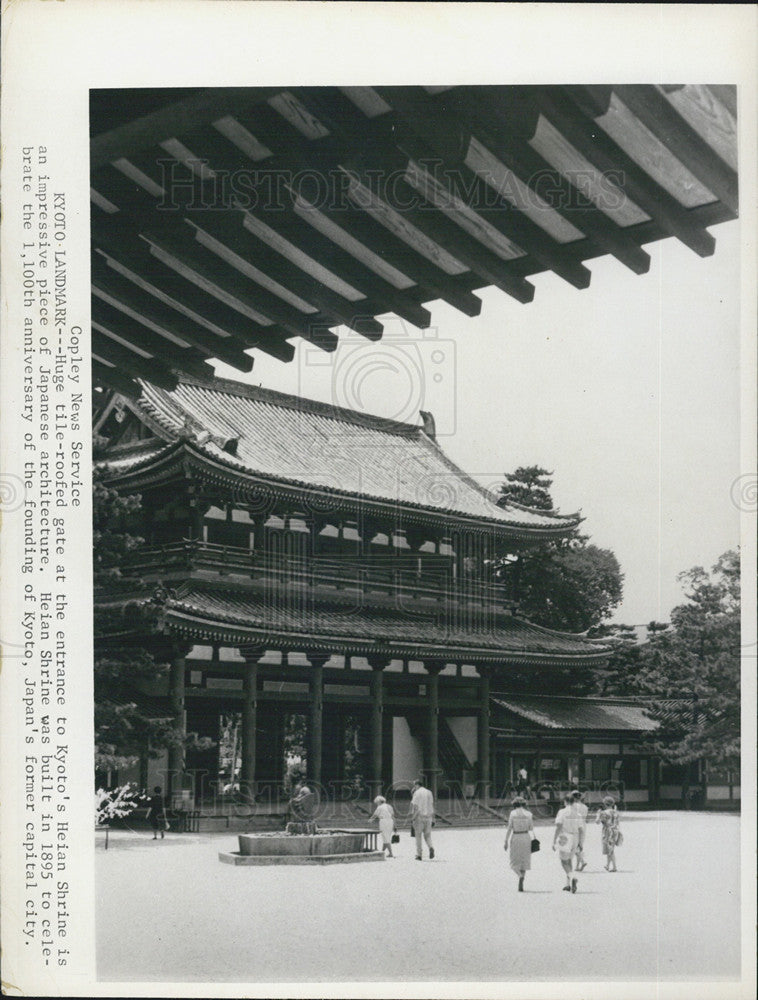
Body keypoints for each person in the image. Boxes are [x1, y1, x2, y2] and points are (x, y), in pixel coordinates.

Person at [552, 793, 584, 892]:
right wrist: (581, 843)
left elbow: (558, 826)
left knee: (563, 861)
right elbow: (581, 830)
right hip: (575, 836)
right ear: (573, 802)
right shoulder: (577, 814)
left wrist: (554, 840)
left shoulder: (562, 812)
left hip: (565, 836)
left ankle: (572, 877)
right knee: (569, 860)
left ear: (565, 802)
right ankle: (568, 884)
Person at [503, 795, 535, 892]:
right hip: (526, 836)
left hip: (516, 836)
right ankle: (522, 878)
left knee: (514, 860)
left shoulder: (512, 814)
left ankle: (519, 876)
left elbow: (509, 828)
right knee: (524, 860)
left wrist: (506, 840)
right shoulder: (529, 814)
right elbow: (531, 828)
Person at [410, 778, 435, 861]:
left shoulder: (417, 793)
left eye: (415, 785)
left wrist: (413, 818)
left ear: (417, 785)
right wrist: (433, 818)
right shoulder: (429, 792)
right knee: (428, 835)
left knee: (418, 836)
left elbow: (415, 806)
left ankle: (419, 854)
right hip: (429, 817)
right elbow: (431, 805)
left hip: (419, 817)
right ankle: (431, 847)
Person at [596, 795, 622, 871]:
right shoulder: (616, 812)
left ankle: (614, 867)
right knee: (610, 848)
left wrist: (598, 814)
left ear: (605, 804)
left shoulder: (604, 813)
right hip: (615, 831)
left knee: (610, 850)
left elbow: (597, 822)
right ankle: (607, 865)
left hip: (607, 831)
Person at [570, 788, 589, 871]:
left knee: (573, 846)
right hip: (583, 826)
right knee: (580, 846)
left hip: (575, 825)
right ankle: (578, 865)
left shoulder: (573, 806)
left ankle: (582, 861)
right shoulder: (585, 807)